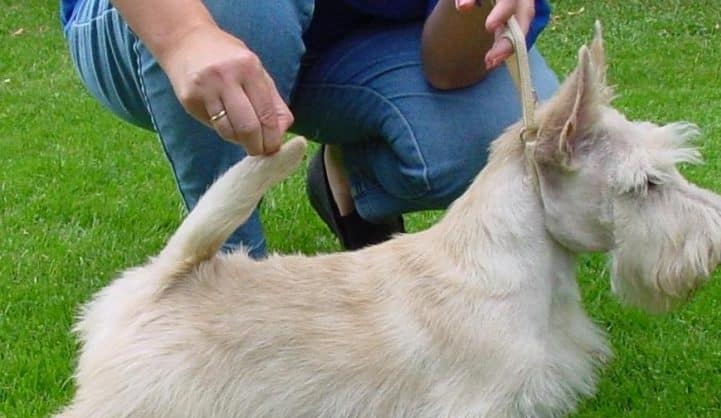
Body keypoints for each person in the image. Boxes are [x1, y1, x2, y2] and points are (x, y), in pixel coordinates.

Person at [60, 0, 560, 256]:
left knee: (503, 133)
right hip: (163, 19)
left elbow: (448, 71)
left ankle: (347, 178)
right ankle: (229, 284)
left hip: (349, 46)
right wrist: (184, 35)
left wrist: (470, 9)